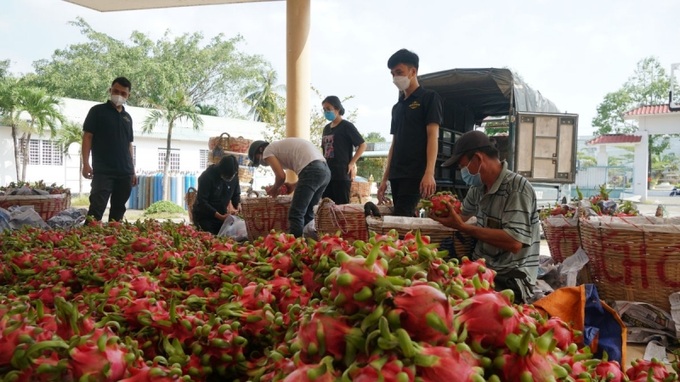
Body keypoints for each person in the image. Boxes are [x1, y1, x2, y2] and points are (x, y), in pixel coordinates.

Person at [431, 130, 541, 304]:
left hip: (510, 276)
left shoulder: (517, 189)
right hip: (480, 268)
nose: (462, 172)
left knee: (459, 303)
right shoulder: (478, 187)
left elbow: (514, 242)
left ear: (478, 159)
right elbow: (462, 216)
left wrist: (464, 228)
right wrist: (440, 209)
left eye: (462, 166)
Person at [378, 48, 443, 216]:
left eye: (399, 72)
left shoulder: (429, 98)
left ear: (413, 71)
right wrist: (385, 179)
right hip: (397, 174)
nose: (395, 78)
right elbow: (394, 143)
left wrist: (429, 172)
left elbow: (432, 137)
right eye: (392, 74)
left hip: (415, 173)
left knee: (401, 219)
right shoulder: (397, 107)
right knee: (402, 219)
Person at [248, 138, 331, 238]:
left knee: (296, 213)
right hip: (325, 171)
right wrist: (293, 185)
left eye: (258, 159)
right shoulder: (278, 148)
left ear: (261, 149)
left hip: (312, 170)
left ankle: (296, 248)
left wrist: (274, 189)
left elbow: (281, 176)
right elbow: (311, 170)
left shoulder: (267, 151)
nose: (262, 163)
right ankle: (309, 245)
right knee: (308, 213)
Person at [81, 77, 137, 222]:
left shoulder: (127, 118)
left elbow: (129, 145)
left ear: (128, 96)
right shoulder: (97, 111)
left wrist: (132, 170)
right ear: (110, 90)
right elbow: (87, 137)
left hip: (125, 173)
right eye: (116, 91)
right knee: (96, 211)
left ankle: (113, 241)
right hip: (103, 172)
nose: (119, 95)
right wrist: (86, 163)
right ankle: (89, 241)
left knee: (118, 212)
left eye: (123, 93)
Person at [321, 95, 367, 205]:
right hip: (327, 174)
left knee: (341, 208)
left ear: (337, 108)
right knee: (326, 208)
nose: (326, 112)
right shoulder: (326, 128)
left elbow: (362, 145)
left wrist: (352, 163)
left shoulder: (346, 126)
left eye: (328, 109)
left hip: (341, 174)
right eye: (324, 109)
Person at [192, 155, 241, 235]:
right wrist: (220, 216)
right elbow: (202, 202)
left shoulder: (234, 176)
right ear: (221, 170)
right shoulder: (207, 177)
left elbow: (236, 195)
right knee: (209, 239)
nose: (229, 179)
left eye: (232, 176)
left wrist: (238, 206)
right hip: (205, 216)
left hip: (222, 214)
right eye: (226, 177)